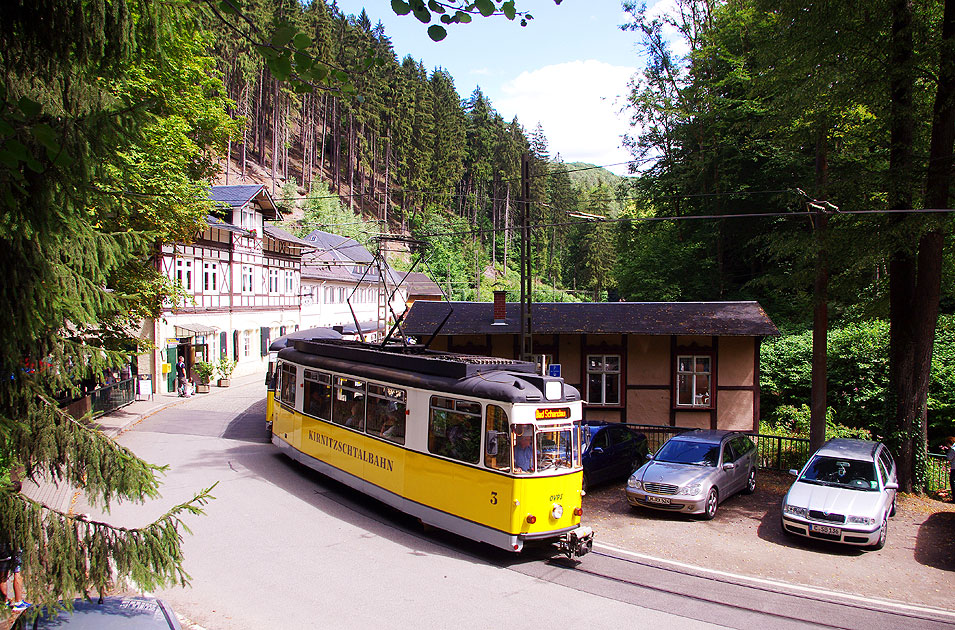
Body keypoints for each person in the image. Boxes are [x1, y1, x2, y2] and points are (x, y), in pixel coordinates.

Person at [943, 437, 955, 502]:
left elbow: (949, 458)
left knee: (952, 482)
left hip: (954, 467)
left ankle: (954, 498)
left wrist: (947, 453)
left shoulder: (953, 449)